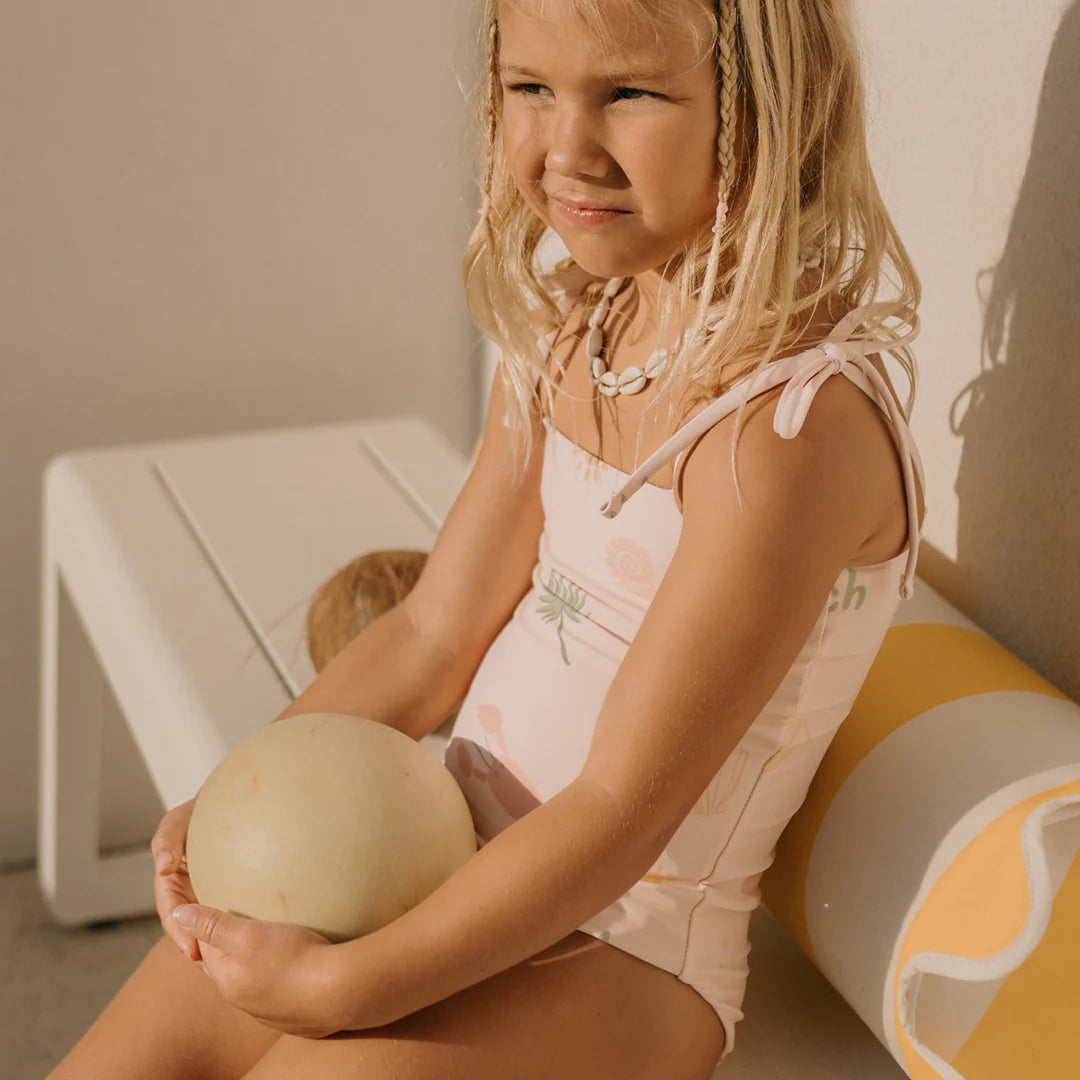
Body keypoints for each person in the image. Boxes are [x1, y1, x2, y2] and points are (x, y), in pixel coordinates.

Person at [48, 0, 927, 1077]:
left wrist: (342, 985)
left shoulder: (787, 431)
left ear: (771, 109)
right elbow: (433, 628)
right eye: (530, 88)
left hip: (620, 948)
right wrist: (237, 795)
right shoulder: (579, 336)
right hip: (437, 861)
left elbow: (615, 814)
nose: (568, 148)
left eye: (630, 93)